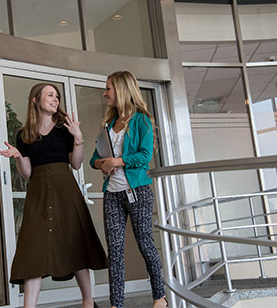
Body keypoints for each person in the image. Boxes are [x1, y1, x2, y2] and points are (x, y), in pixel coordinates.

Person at [0, 83, 107, 308]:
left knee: (74, 243)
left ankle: (88, 302)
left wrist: (78, 138)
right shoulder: (24, 134)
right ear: (35, 100)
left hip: (65, 191)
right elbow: (27, 173)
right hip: (38, 194)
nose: (55, 99)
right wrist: (19, 156)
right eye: (50, 95)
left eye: (56, 96)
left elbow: (76, 164)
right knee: (33, 249)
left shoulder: (64, 129)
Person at [90, 71, 167, 308]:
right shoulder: (109, 124)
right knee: (114, 251)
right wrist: (102, 164)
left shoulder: (142, 120)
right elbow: (94, 158)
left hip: (138, 192)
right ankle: (116, 304)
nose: (105, 93)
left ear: (121, 89)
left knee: (145, 243)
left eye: (108, 89)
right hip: (112, 194)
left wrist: (118, 161)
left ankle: (160, 297)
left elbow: (145, 156)